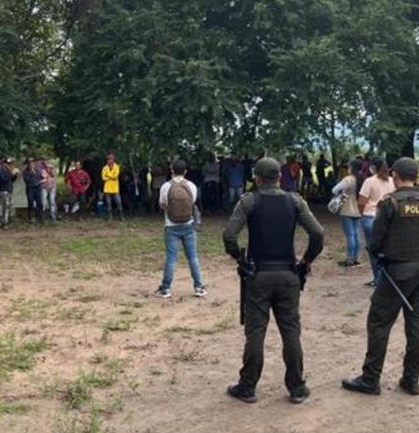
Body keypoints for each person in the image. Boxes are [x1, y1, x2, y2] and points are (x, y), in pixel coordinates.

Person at [341, 158, 419, 397]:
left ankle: (371, 379)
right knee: (416, 325)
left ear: (395, 175)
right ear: (416, 176)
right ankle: (411, 380)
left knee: (379, 323)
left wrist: (382, 255)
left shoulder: (391, 204)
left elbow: (375, 242)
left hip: (396, 271)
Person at [222, 157, 324, 404]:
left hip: (258, 275)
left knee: (255, 332)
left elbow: (229, 236)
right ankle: (297, 387)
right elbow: (318, 233)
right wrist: (306, 261)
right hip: (288, 274)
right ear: (279, 177)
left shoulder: (249, 201)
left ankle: (247, 386)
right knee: (290, 331)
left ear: (256, 178)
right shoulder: (295, 201)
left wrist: (240, 259)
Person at [154, 160, 207, 299]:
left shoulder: (165, 187)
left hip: (171, 225)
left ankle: (166, 288)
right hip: (188, 225)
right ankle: (199, 287)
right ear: (185, 172)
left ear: (171, 170)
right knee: (193, 257)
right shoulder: (191, 186)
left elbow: (162, 204)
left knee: (171, 258)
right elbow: (192, 203)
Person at [359, 158, 396, 286]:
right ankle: (387, 278)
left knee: (373, 250)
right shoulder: (392, 181)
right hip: (387, 217)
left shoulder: (369, 181)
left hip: (370, 216)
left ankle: (378, 279)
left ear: (373, 167)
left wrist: (362, 213)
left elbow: (362, 201)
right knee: (386, 248)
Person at [333, 160, 364, 267]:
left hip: (347, 209)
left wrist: (342, 193)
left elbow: (334, 190)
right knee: (356, 234)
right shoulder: (363, 179)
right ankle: (356, 258)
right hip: (359, 210)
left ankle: (349, 259)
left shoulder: (348, 179)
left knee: (350, 235)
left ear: (352, 168)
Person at [0, 157, 17, 228]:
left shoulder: (8, 171)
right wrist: (11, 174)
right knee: (4, 207)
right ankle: (4, 222)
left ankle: (6, 221)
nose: (9, 165)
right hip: (2, 190)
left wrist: (15, 175)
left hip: (9, 190)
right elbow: (4, 180)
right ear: (4, 164)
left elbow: (11, 180)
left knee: (7, 206)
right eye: (8, 164)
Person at [102, 153, 123, 221]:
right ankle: (110, 217)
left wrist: (108, 175)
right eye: (108, 159)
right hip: (107, 188)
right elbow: (103, 178)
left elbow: (116, 176)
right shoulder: (104, 168)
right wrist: (111, 176)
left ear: (113, 159)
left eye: (111, 159)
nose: (109, 160)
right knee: (108, 203)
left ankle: (120, 216)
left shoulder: (117, 167)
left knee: (118, 202)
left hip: (115, 188)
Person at [22, 159, 44, 223]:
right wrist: (31, 173)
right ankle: (30, 217)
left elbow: (41, 177)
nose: (31, 165)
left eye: (32, 163)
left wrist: (42, 180)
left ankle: (40, 217)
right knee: (30, 202)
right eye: (29, 164)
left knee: (40, 203)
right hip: (30, 188)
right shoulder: (25, 171)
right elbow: (26, 180)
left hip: (37, 188)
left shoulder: (37, 170)